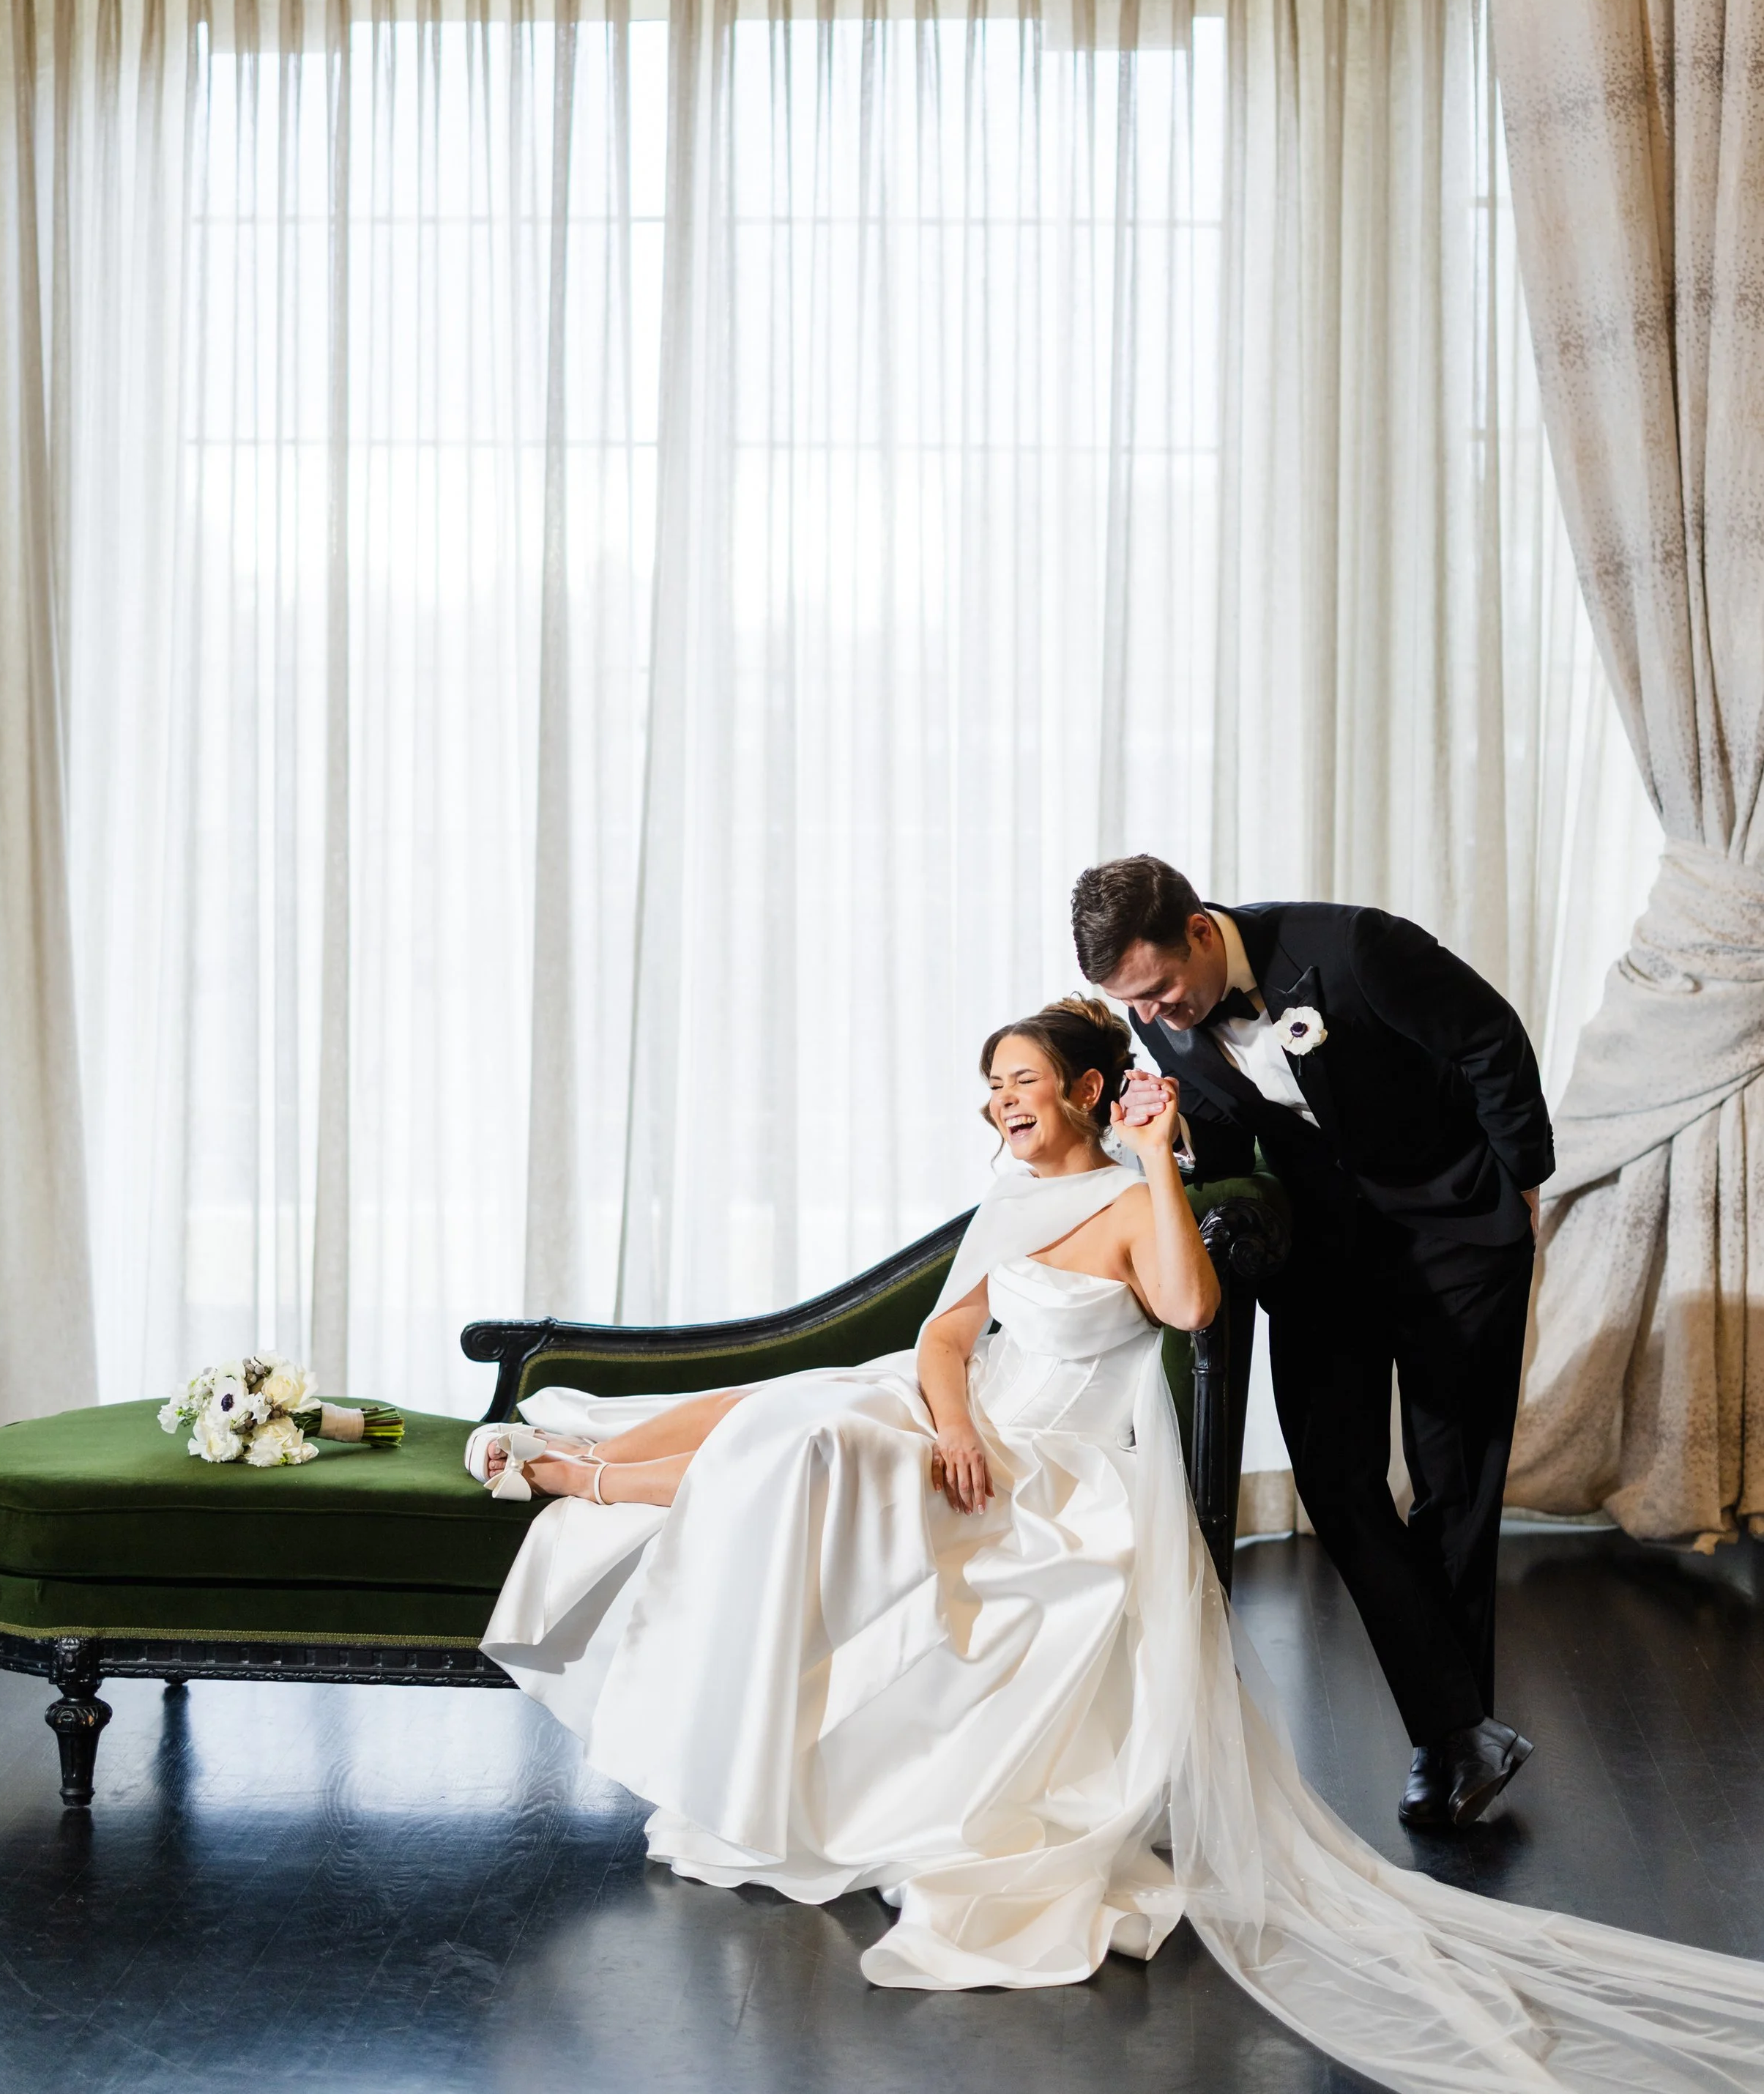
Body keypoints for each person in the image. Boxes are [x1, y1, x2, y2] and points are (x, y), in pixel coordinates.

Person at [467, 1000, 1764, 2086]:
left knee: (807, 1439)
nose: (1001, 1107)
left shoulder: (1137, 1196)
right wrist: (954, 1417)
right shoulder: (1008, 1193)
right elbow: (938, 1336)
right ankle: (577, 1466)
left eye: (1022, 1085)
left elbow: (1194, 1309)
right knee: (807, 1408)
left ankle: (574, 1473)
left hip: (1062, 1456)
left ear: (1089, 1090)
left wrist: (1159, 1157)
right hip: (968, 1416)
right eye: (990, 1090)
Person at [1068, 855, 1548, 1835]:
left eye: (1161, 991)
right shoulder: (1165, 1017)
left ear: (1200, 930)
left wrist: (1522, 1189)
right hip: (1325, 1255)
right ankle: (1461, 1723)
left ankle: (1446, 1739)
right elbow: (1226, 1124)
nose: (1158, 1017)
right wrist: (1169, 1142)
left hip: (1455, 1236)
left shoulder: (1350, 947)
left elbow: (1489, 1038)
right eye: (1134, 1005)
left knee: (1454, 1484)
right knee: (1334, 1479)